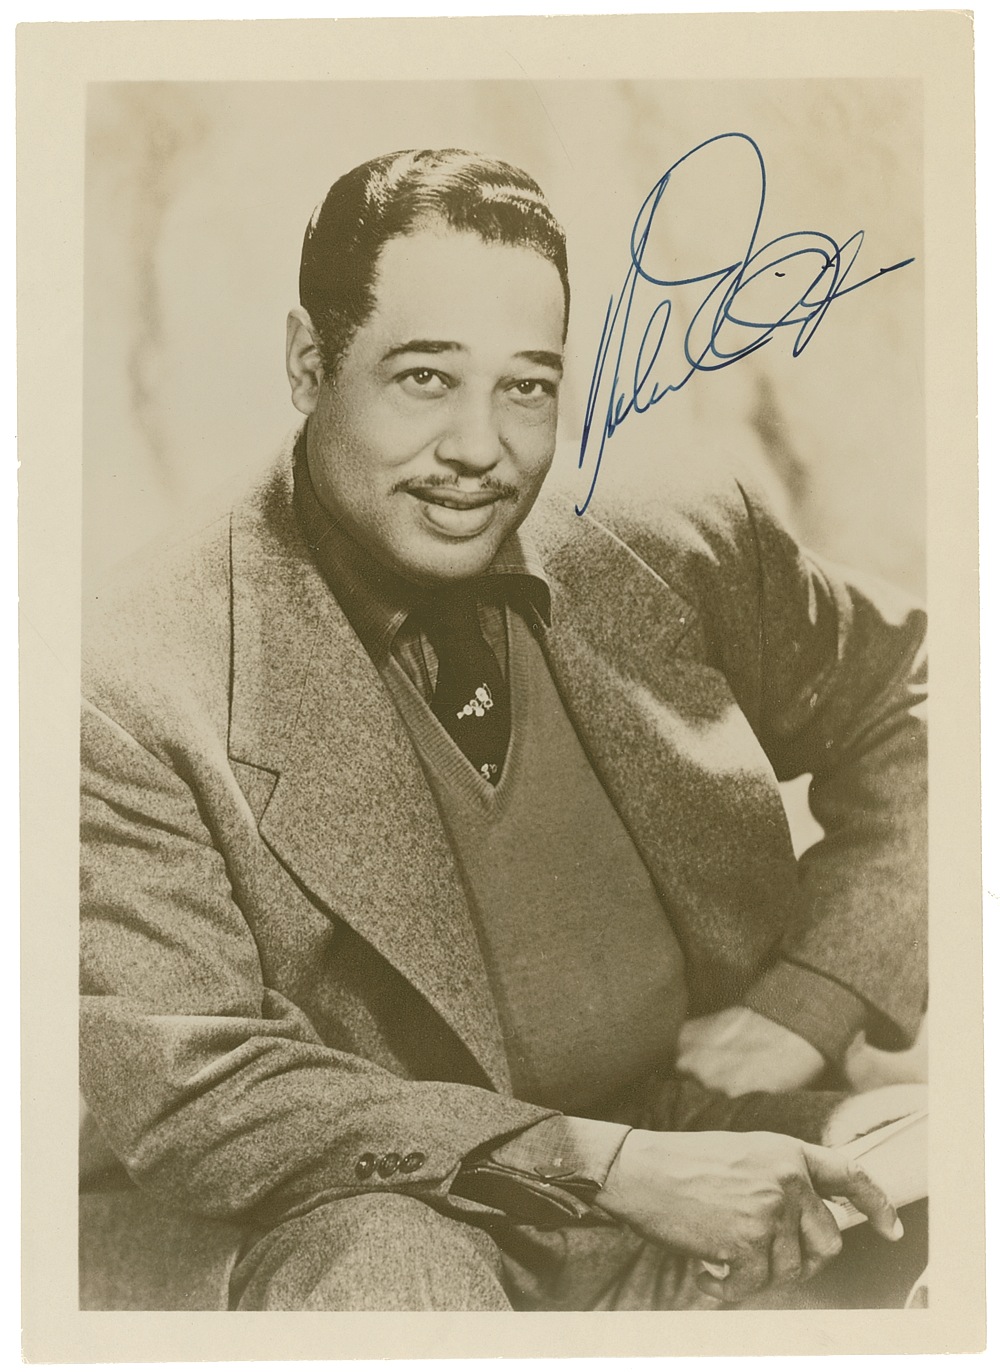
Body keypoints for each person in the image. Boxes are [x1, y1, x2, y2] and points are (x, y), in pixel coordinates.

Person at [79, 148, 928, 1312]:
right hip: (361, 1209)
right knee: (394, 1278)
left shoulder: (659, 529)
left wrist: (815, 995)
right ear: (308, 362)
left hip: (683, 1135)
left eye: (527, 386)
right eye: (425, 378)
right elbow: (204, 1098)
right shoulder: (127, 677)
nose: (481, 446)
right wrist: (605, 1169)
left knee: (959, 1177)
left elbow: (924, 697)